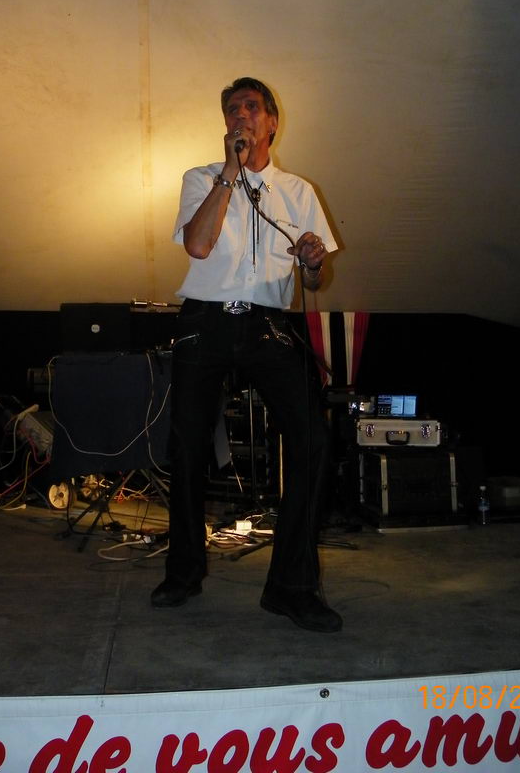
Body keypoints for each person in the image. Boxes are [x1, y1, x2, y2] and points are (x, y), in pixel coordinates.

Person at [151, 76, 341, 633]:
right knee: (188, 447)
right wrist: (229, 174)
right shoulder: (201, 178)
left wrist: (312, 262)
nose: (241, 115)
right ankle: (183, 572)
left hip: (267, 324)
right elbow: (197, 245)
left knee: (313, 439)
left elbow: (314, 278)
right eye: (232, 109)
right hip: (205, 321)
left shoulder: (300, 192)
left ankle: (291, 588)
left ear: (272, 122)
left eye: (252, 107)